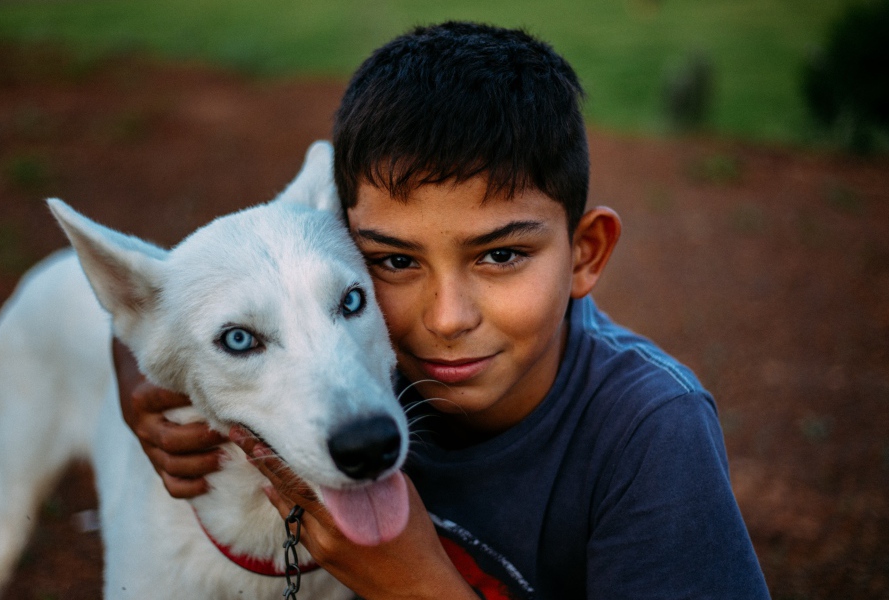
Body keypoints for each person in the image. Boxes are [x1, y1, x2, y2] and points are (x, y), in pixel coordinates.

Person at [114, 21, 770, 599]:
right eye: (395, 262)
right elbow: (210, 309)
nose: (448, 319)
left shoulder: (650, 431)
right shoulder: (354, 387)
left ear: (583, 254)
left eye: (502, 256)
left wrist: (415, 588)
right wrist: (146, 392)